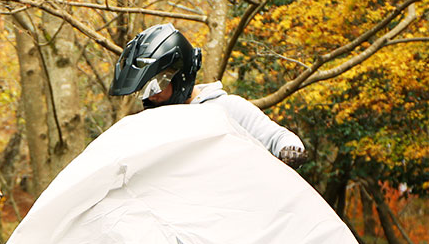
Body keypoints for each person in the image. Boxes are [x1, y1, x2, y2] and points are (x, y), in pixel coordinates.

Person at [109, 24, 308, 167]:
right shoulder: (152, 124)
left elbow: (277, 137)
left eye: (154, 87)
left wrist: (288, 149)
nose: (149, 97)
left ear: (180, 76)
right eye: (143, 91)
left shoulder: (227, 108)